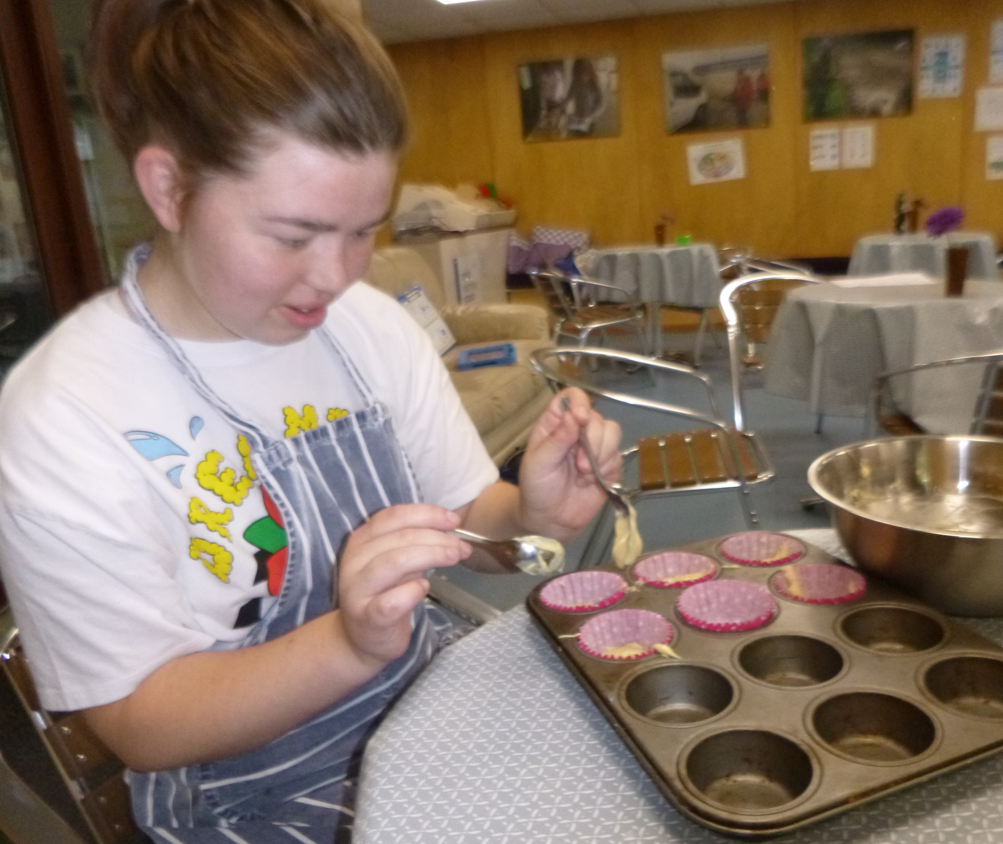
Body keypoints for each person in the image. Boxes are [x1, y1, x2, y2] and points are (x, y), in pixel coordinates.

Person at [0, 1, 621, 842]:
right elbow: (142, 725)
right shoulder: (62, 414)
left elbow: (469, 516)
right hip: (255, 795)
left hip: (426, 702)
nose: (332, 276)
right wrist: (351, 645)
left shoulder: (366, 325)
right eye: (293, 234)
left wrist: (531, 510)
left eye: (362, 231)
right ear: (167, 187)